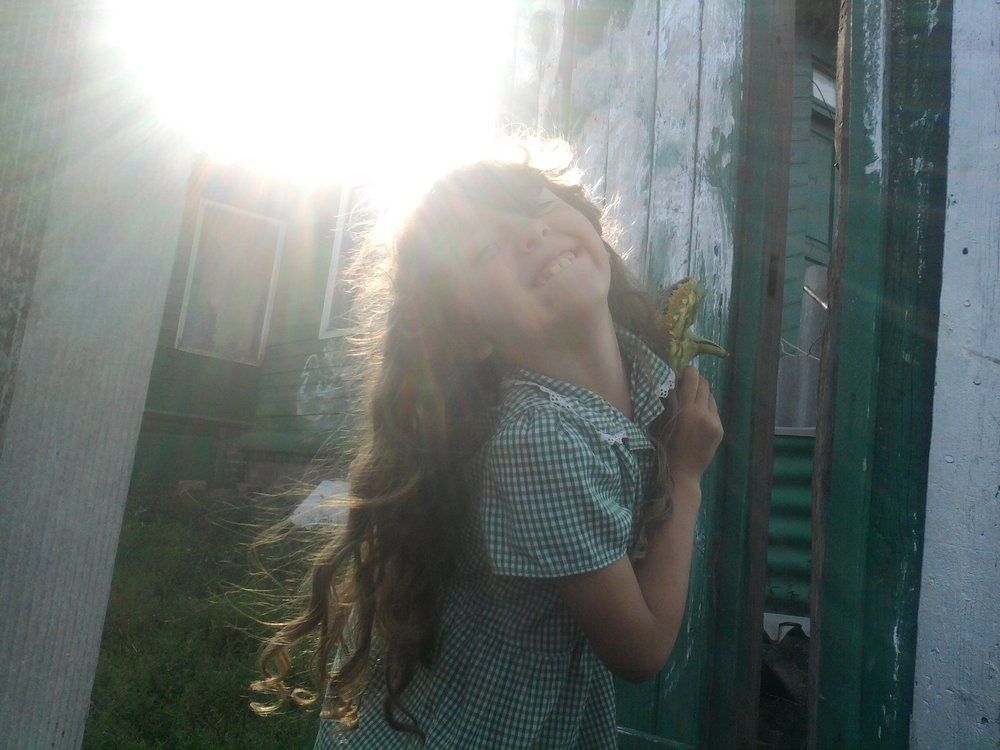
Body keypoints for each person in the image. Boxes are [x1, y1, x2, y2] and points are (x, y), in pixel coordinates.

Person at [252, 145, 724, 748]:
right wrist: (685, 476)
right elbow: (640, 648)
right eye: (483, 250)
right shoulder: (538, 437)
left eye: (535, 206)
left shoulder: (644, 377)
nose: (530, 232)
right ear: (468, 332)